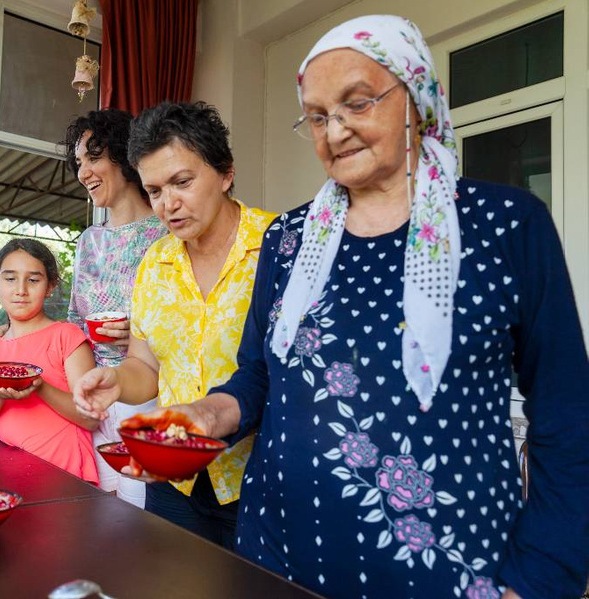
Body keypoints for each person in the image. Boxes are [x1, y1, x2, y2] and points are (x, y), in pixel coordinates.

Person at [90, 15, 589, 599]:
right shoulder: (292, 239)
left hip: (446, 564)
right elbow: (258, 372)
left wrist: (540, 576)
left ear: (419, 96)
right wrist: (208, 415)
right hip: (278, 552)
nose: (337, 129)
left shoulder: (504, 225)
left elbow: (567, 417)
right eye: (319, 116)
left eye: (358, 102)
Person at [72, 101, 277, 549]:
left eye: (182, 182)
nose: (169, 204)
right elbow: (146, 367)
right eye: (156, 191)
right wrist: (115, 380)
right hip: (172, 480)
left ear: (225, 173)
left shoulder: (276, 248)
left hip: (257, 477)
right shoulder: (156, 263)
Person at [0, 109, 168, 506]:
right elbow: (73, 325)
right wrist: (4, 336)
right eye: (78, 163)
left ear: (125, 156)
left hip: (144, 398)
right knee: (98, 514)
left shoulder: (164, 234)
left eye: (93, 158)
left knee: (139, 517)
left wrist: (140, 337)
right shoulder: (89, 240)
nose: (83, 172)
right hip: (88, 395)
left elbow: (184, 323)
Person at [0, 238, 99, 484]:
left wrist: (39, 386)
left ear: (50, 286)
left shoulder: (67, 337)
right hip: (9, 475)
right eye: (10, 278)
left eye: (34, 280)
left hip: (65, 477)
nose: (21, 290)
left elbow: (90, 417)